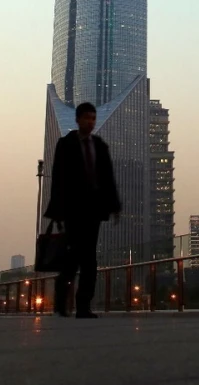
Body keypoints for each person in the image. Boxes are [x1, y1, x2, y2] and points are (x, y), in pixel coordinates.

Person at [44, 102, 122, 319]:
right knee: (73, 257)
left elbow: (108, 178)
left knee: (89, 258)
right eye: (87, 118)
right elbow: (58, 178)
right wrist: (57, 211)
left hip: (93, 210)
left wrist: (114, 206)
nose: (91, 122)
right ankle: (62, 302)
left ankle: (83, 306)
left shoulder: (99, 146)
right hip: (72, 209)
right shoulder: (65, 144)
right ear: (78, 119)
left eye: (93, 118)